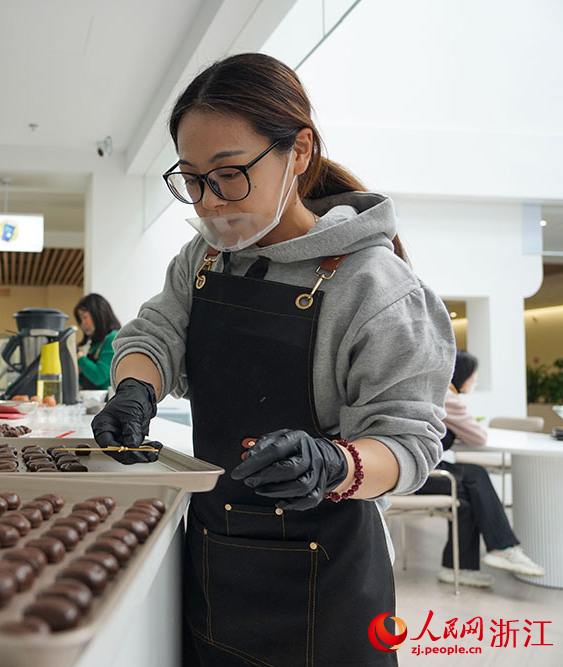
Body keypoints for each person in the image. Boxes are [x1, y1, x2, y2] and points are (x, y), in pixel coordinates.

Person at [90, 53, 454, 666]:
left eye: (229, 174)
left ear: (299, 151)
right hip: (214, 555)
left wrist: (332, 465)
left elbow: (409, 441)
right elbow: (155, 335)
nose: (208, 202)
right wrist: (134, 391)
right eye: (192, 178)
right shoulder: (202, 261)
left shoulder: (374, 286)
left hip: (327, 584)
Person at [417, 349, 546, 587]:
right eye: (472, 375)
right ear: (461, 374)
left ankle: (458, 567)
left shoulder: (432, 391)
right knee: (475, 476)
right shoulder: (446, 396)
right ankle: (504, 548)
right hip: (414, 474)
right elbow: (478, 436)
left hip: (416, 469)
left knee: (467, 498)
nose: (474, 381)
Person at [73, 293, 121, 390]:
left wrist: (79, 356)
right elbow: (86, 380)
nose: (83, 324)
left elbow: (99, 376)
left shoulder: (113, 338)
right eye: (80, 319)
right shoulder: (96, 344)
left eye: (85, 317)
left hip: (108, 401)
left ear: (98, 314)